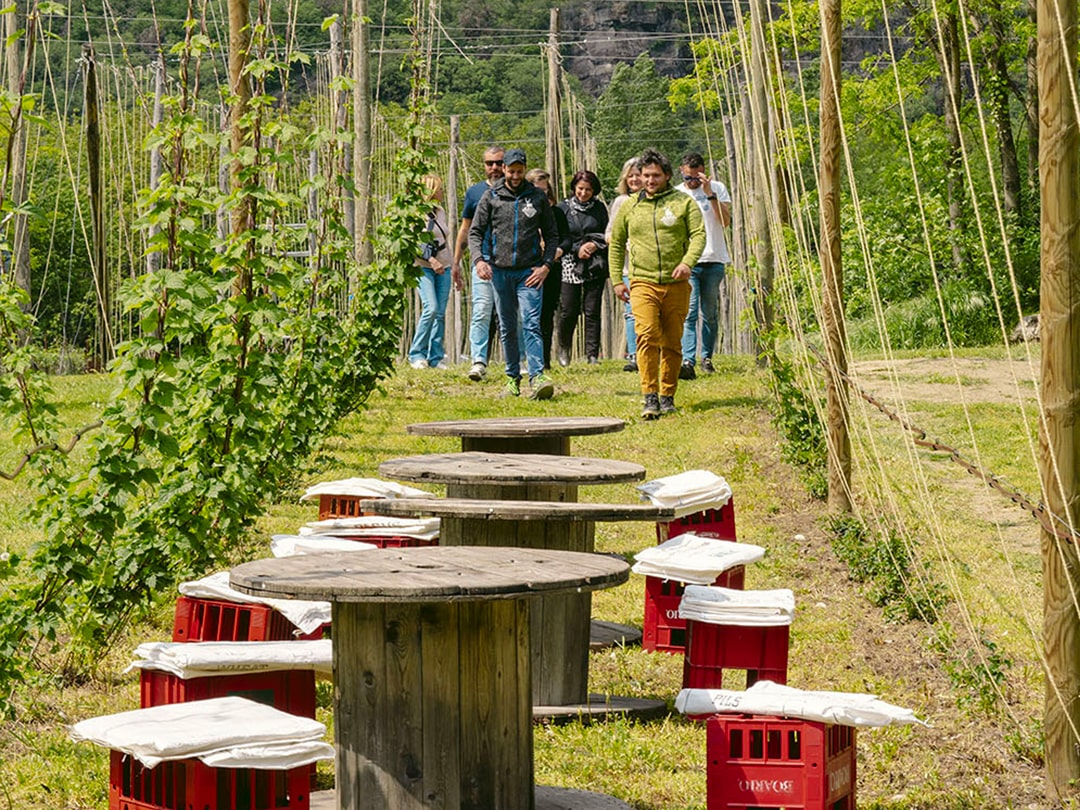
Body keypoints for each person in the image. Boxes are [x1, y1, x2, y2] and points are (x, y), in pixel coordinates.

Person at [608, 148, 705, 419]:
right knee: (647, 335)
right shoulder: (630, 206)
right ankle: (649, 396)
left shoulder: (683, 203)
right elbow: (616, 244)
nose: (650, 180)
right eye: (646, 175)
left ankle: (667, 395)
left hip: (675, 283)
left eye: (656, 175)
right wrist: (617, 279)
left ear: (667, 176)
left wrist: (687, 262)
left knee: (673, 341)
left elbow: (698, 235)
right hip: (642, 281)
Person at [469, 148, 558, 400]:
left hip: (529, 272)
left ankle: (538, 376)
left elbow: (551, 235)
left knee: (531, 323)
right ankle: (512, 379)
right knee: (507, 327)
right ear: (504, 170)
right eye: (511, 171)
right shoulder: (491, 196)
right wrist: (479, 261)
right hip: (499, 272)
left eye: (520, 171)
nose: (515, 175)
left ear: (525, 170)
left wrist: (546, 266)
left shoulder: (536, 197)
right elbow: (475, 232)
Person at [676, 151, 732, 379]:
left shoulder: (717, 188)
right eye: (687, 178)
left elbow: (726, 222)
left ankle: (706, 357)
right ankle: (688, 360)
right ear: (681, 171)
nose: (691, 183)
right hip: (689, 260)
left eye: (696, 179)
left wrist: (709, 195)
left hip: (714, 258)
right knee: (689, 312)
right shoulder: (677, 194)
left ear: (703, 174)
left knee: (709, 312)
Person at [453, 146, 504, 382]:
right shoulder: (474, 193)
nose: (494, 168)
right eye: (489, 163)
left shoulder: (518, 191)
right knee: (481, 311)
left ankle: (522, 361)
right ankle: (478, 361)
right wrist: (456, 263)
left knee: (513, 314)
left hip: (511, 263)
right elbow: (466, 228)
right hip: (482, 262)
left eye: (498, 163)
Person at [556, 170, 609, 367]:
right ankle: (564, 347)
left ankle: (592, 354)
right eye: (580, 189)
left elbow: (606, 232)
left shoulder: (600, 208)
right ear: (574, 188)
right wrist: (578, 248)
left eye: (588, 190)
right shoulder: (564, 208)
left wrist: (595, 245)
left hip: (595, 263)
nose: (584, 193)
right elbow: (561, 235)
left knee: (592, 309)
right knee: (569, 310)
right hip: (570, 262)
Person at [407, 174, 453, 369]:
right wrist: (431, 260)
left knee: (440, 312)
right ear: (431, 191)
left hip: (445, 264)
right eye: (439, 189)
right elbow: (413, 242)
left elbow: (443, 238)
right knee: (430, 308)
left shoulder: (440, 211)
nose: (442, 192)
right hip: (423, 266)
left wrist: (452, 263)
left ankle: (435, 357)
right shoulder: (415, 214)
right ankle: (416, 354)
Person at [525, 168, 568, 370]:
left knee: (547, 314)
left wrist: (558, 250)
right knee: (529, 314)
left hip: (551, 268)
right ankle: (527, 359)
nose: (542, 194)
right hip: (528, 267)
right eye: (537, 190)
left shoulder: (556, 211)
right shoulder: (524, 211)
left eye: (545, 190)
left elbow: (567, 239)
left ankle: (544, 360)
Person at [606, 157, 643, 372]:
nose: (635, 179)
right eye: (630, 175)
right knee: (631, 312)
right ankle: (634, 355)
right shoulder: (621, 202)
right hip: (629, 267)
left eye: (638, 174)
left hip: (653, 268)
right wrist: (626, 243)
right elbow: (609, 234)